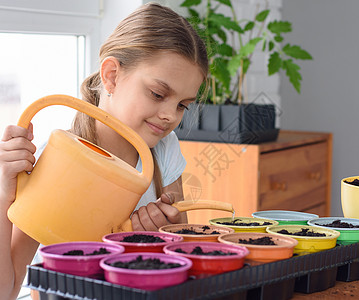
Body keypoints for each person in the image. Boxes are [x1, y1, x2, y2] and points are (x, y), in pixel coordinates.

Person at [0, 3, 208, 299]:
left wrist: (163, 236)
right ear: (111, 75)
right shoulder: (59, 161)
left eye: (182, 105)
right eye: (158, 94)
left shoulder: (164, 149)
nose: (170, 116)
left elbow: (180, 254)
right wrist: (3, 192)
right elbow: (7, 290)